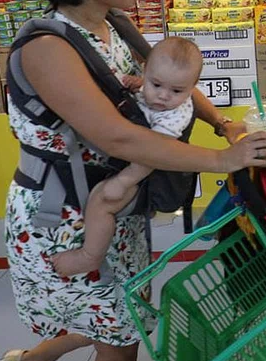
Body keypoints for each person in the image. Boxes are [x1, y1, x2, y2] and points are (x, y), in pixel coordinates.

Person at [1, 0, 266, 361]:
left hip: (119, 203)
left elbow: (172, 83)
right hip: (66, 215)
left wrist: (223, 124)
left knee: (122, 317)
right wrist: (220, 159)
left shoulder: (114, 24)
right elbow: (119, 139)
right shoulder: (48, 49)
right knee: (120, 335)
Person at [51, 36, 203, 278]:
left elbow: (153, 155)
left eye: (176, 91)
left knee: (103, 201)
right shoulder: (147, 88)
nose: (163, 96)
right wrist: (141, 85)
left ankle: (89, 256)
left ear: (192, 87)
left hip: (147, 174)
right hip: (125, 158)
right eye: (156, 85)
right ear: (145, 71)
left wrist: (124, 182)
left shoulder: (175, 116)